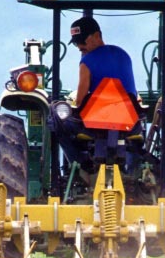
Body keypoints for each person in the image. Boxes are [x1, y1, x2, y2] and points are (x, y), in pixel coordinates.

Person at [49, 16, 141, 173]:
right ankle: (133, 169)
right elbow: (131, 91)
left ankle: (79, 164)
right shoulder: (124, 56)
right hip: (129, 125)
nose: (79, 46)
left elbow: (79, 102)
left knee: (54, 114)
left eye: (82, 41)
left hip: (94, 127)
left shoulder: (86, 61)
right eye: (76, 42)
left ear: (97, 35)